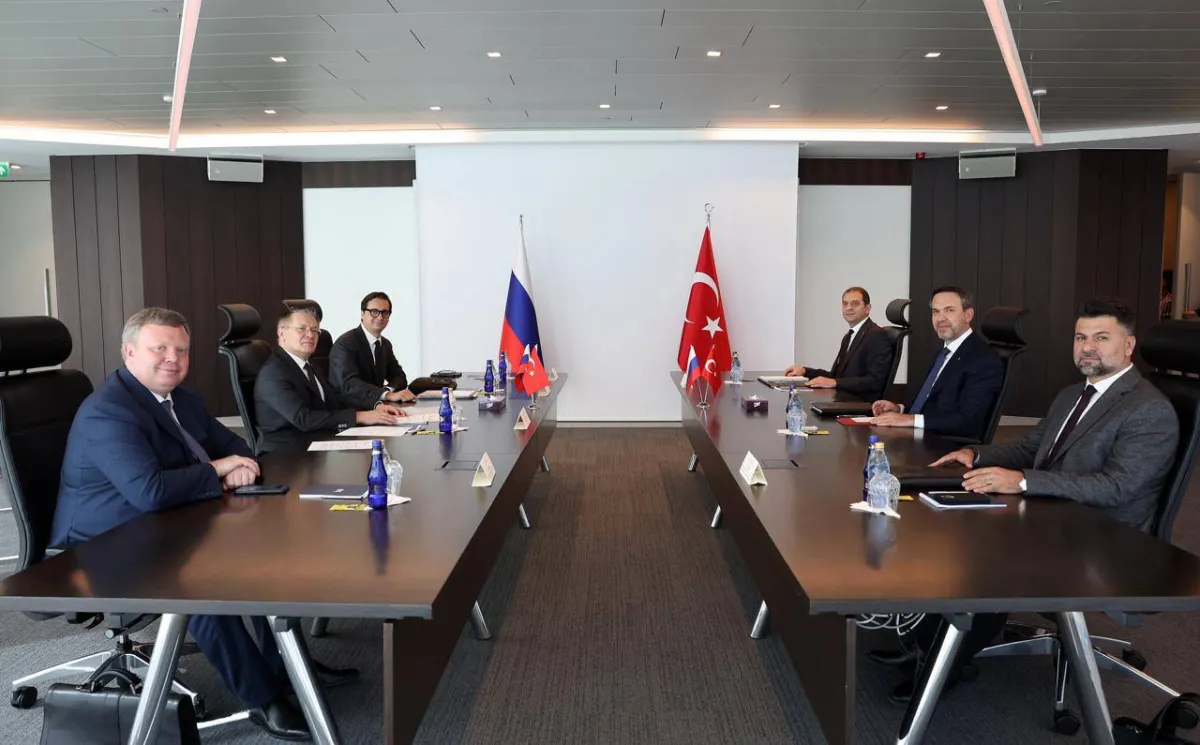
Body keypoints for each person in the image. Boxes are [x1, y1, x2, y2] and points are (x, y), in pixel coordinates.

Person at [50, 308, 357, 741]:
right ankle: (263, 698)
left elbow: (239, 447)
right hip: (100, 544)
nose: (172, 358)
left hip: (165, 521)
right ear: (129, 352)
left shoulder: (182, 399)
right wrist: (217, 469)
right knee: (199, 583)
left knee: (267, 551)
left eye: (181, 350)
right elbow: (150, 491)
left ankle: (290, 667)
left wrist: (234, 465)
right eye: (160, 348)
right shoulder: (110, 411)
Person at [873, 297, 1180, 702]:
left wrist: (1022, 482)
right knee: (947, 523)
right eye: (1080, 337)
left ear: (1128, 345)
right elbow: (1032, 447)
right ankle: (922, 642)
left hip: (1104, 535)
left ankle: (941, 666)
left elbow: (1116, 487)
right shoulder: (1072, 394)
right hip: (1055, 511)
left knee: (984, 552)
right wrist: (976, 454)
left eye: (1101, 338)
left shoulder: (1149, 409)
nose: (1088, 347)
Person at [254, 303, 406, 454]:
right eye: (302, 329)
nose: (310, 335)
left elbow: (337, 398)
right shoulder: (273, 373)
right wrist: (359, 416)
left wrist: (375, 406)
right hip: (286, 454)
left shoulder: (309, 365)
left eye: (315, 330)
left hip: (316, 443)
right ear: (282, 333)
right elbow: (304, 419)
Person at [870, 286, 1002, 442]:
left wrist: (911, 420)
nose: (940, 318)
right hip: (918, 436)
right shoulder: (942, 352)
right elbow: (930, 402)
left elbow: (968, 421)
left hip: (944, 444)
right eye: (935, 312)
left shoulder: (983, 359)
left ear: (968, 315)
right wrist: (899, 409)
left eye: (949, 310)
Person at [784, 286, 894, 400]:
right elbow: (835, 376)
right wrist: (805, 371)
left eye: (855, 304)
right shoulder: (849, 336)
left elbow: (875, 381)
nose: (848, 308)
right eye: (845, 304)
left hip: (859, 403)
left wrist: (834, 382)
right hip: (842, 398)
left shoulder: (876, 335)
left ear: (867, 308)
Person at [329, 291, 416, 404]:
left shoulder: (385, 344)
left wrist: (387, 390)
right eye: (374, 312)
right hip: (349, 408)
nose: (380, 317)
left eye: (385, 313)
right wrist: (386, 395)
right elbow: (350, 384)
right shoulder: (346, 343)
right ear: (362, 314)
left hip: (375, 405)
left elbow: (399, 377)